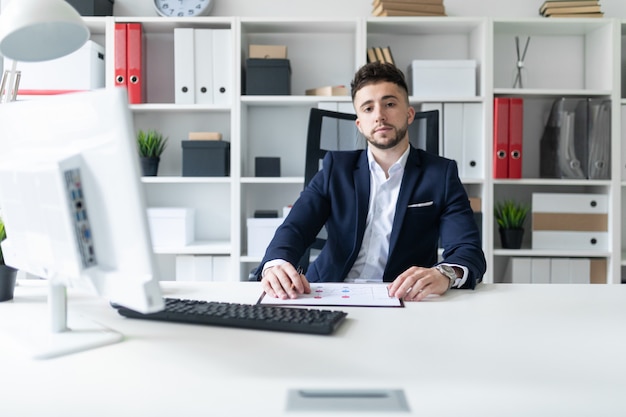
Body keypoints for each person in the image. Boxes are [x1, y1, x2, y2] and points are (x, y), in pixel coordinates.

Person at [254, 61, 486, 301]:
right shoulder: (336, 168)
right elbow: (295, 228)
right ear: (359, 124)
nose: (379, 115)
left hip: (402, 298)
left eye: (389, 104)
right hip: (329, 290)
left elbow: (467, 250)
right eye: (367, 108)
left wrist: (445, 273)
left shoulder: (440, 174)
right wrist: (276, 265)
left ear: (409, 114)